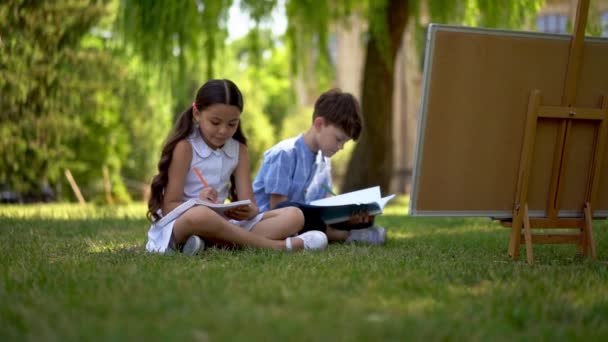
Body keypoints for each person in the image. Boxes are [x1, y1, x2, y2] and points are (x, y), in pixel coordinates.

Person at [146, 79, 328, 255]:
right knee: (200, 215)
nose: (223, 130)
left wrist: (248, 211)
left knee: (295, 215)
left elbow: (251, 205)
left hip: (223, 223)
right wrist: (197, 202)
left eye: (232, 124)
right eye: (215, 123)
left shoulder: (239, 150)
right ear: (197, 113)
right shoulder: (185, 147)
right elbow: (170, 207)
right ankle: (279, 247)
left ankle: (209, 244)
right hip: (184, 223)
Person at [252, 88, 386, 245]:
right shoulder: (285, 154)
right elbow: (278, 208)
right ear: (319, 124)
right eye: (338, 139)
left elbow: (327, 205)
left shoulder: (324, 160)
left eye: (345, 142)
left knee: (361, 218)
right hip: (273, 223)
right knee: (292, 210)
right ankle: (345, 236)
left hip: (308, 222)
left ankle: (351, 230)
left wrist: (349, 215)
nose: (340, 147)